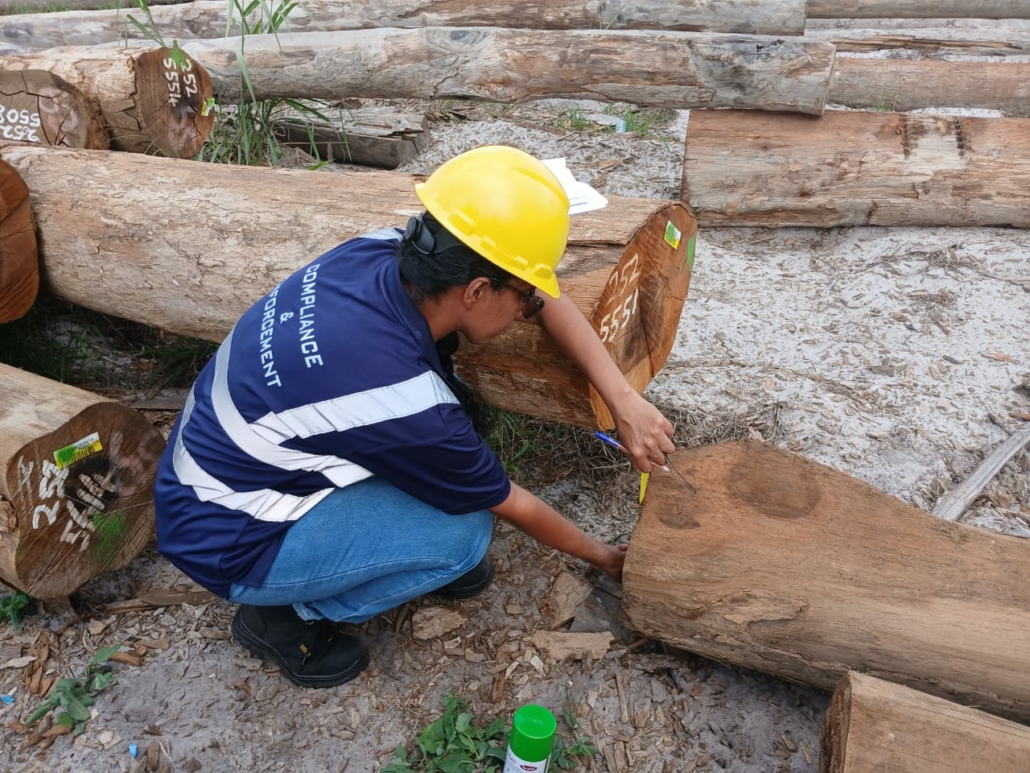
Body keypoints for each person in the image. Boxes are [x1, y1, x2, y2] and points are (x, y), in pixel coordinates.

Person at [153, 145, 675, 689]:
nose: (530, 310)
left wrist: (624, 401)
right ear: (477, 290)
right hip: (229, 538)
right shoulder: (397, 395)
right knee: (463, 536)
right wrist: (604, 557)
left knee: (447, 491)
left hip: (217, 470)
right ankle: (281, 617)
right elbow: (512, 503)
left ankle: (356, 557)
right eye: (525, 299)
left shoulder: (381, 251)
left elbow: (541, 290)